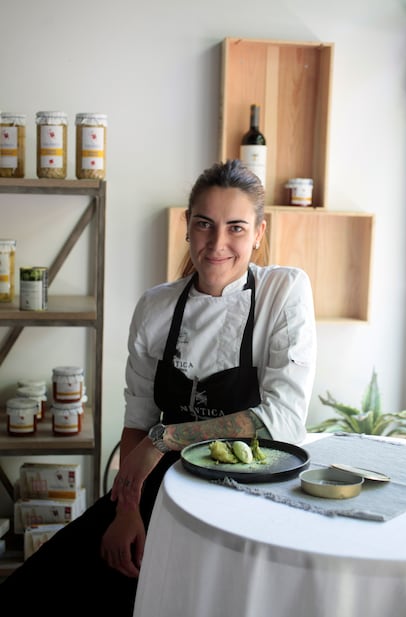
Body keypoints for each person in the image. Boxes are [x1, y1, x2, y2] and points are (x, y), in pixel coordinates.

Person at [0, 159, 317, 615]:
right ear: (187, 226)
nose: (218, 243)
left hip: (250, 493)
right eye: (204, 224)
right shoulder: (156, 307)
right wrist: (126, 510)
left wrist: (165, 440)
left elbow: (282, 423)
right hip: (162, 485)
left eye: (236, 228)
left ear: (259, 234)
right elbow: (139, 420)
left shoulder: (283, 292)